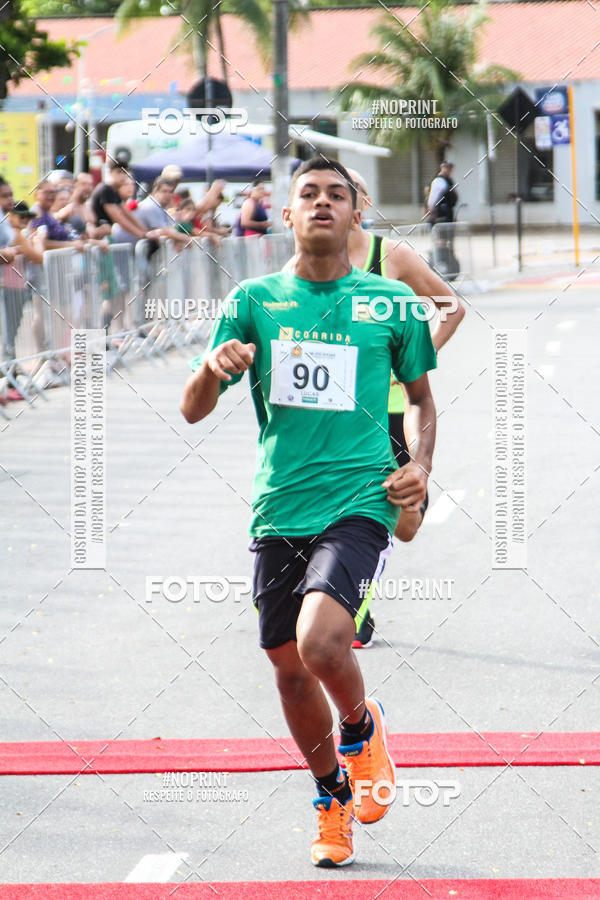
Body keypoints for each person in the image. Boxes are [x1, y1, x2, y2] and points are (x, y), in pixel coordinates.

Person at [181, 156, 437, 868]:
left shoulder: (390, 302)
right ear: (287, 214)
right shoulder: (253, 301)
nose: (323, 203)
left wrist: (419, 465)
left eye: (337, 195)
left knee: (323, 642)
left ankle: (359, 730)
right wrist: (211, 367)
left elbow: (421, 400)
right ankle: (331, 795)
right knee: (289, 669)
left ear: (356, 213)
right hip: (280, 505)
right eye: (309, 194)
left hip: (359, 497)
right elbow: (193, 410)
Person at [344, 169, 465, 648]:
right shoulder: (304, 263)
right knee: (343, 507)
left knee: (405, 520)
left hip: (388, 409)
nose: (333, 201)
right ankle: (352, 607)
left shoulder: (388, 256)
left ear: (363, 202)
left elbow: (451, 306)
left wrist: (413, 360)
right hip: (327, 415)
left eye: (346, 191)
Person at [427, 161, 458, 225]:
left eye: (450, 168)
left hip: (447, 213)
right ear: (442, 168)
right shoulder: (438, 180)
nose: (449, 170)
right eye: (447, 168)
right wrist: (432, 211)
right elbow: (432, 199)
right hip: (440, 214)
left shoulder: (448, 180)